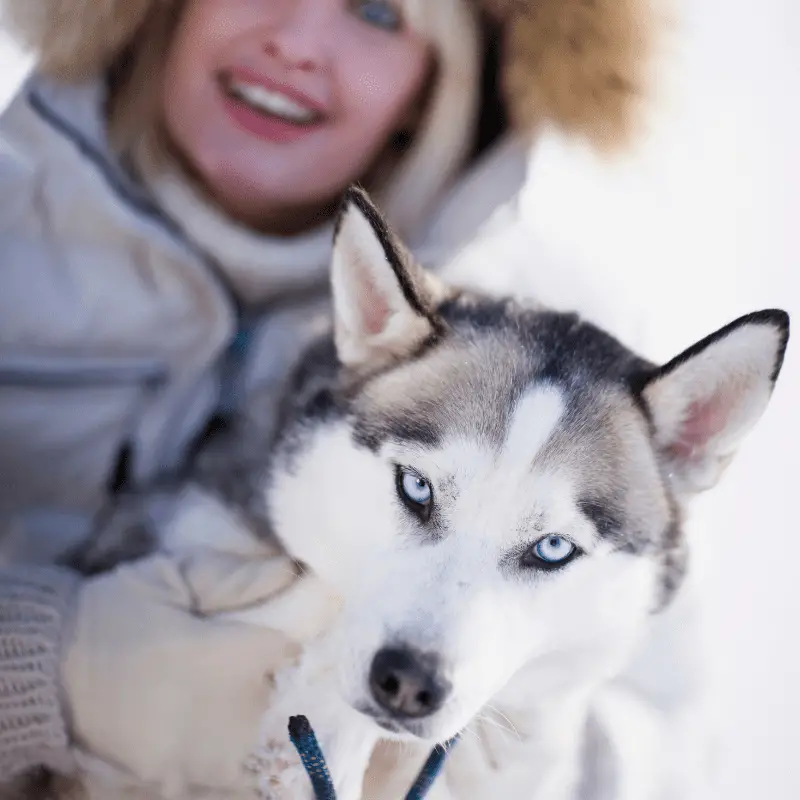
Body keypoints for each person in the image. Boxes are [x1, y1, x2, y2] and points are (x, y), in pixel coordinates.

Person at [0, 0, 684, 796]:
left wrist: (537, 760)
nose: (295, 42)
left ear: (441, 77)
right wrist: (43, 667)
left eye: (376, 10)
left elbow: (678, 734)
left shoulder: (581, 364)